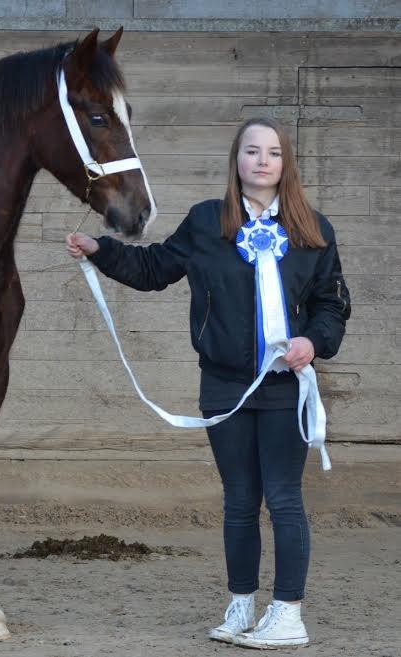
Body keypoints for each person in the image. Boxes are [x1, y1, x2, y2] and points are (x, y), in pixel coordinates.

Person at [65, 117, 350, 649]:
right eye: (251, 151)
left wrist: (313, 341)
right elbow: (153, 270)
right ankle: (242, 603)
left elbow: (332, 306)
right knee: (239, 499)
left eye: (272, 153)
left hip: (286, 384)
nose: (262, 161)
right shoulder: (205, 222)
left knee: (284, 498)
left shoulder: (315, 229)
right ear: (236, 161)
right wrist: (100, 249)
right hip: (223, 385)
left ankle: (288, 613)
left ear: (285, 164)